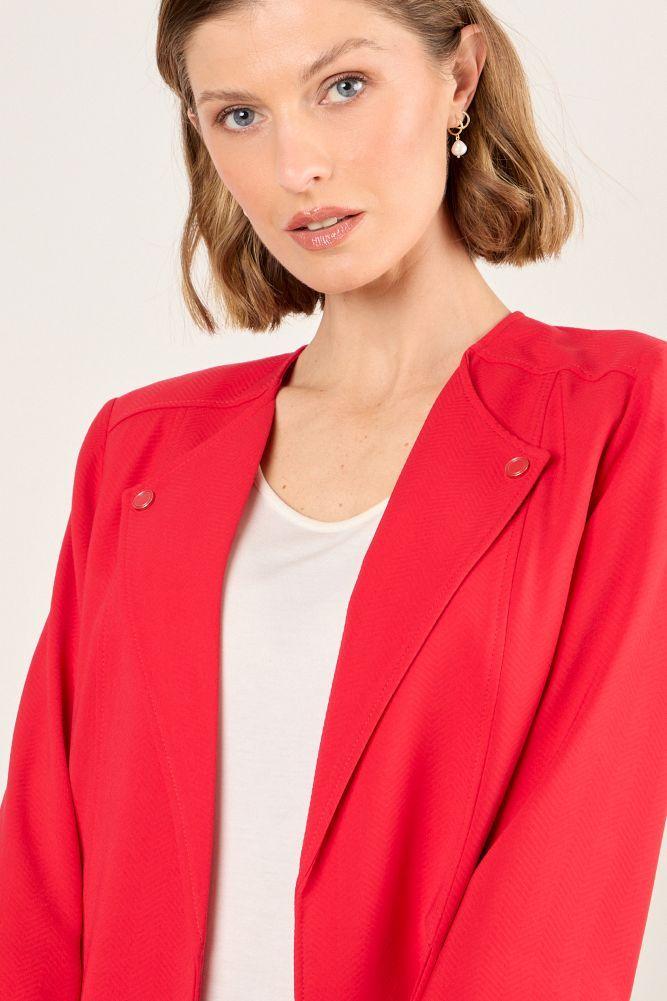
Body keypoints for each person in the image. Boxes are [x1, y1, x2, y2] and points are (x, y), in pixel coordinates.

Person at [1, 2, 665, 1000]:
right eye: (238, 115)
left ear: (459, 76)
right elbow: (43, 865)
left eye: (342, 87)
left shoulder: (621, 416)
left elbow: (566, 867)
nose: (295, 165)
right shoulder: (141, 447)